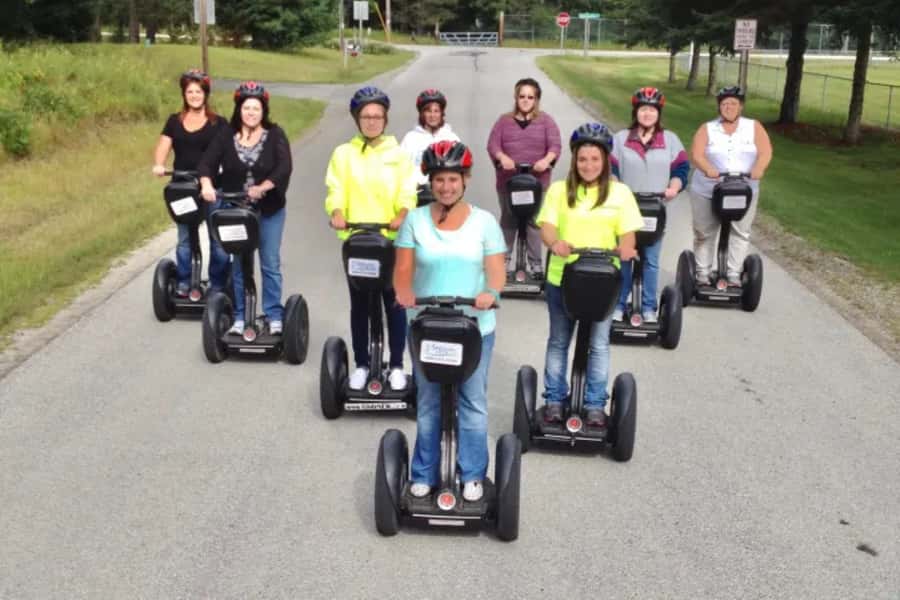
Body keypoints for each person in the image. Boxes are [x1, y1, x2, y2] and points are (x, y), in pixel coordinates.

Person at [394, 140, 506, 502]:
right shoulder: (415, 220)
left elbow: (496, 271)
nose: (446, 186)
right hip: (427, 327)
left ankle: (472, 473)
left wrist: (490, 292)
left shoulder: (484, 222)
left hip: (473, 328)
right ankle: (423, 472)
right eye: (439, 179)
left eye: (453, 179)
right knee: (428, 402)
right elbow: (404, 267)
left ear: (466, 179)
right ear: (431, 181)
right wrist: (403, 291)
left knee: (471, 401)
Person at [536, 123, 643, 429]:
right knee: (559, 340)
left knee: (599, 343)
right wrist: (555, 242)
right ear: (574, 160)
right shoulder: (559, 190)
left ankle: (595, 404)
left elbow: (628, 234)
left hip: (603, 282)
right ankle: (554, 400)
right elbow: (547, 226)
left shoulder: (620, 193)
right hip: (563, 279)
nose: (588, 165)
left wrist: (625, 248)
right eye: (582, 159)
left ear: (605, 160)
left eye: (595, 159)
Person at [325, 86, 416, 391]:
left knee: (394, 302)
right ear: (356, 118)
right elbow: (335, 187)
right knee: (360, 304)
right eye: (366, 116)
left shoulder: (399, 155)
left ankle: (397, 365)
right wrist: (337, 211)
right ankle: (363, 364)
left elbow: (408, 190)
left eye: (377, 116)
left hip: (391, 242)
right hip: (358, 241)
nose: (372, 121)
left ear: (386, 119)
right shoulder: (344, 153)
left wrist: (403, 213)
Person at [198, 81, 293, 335]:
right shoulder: (226, 135)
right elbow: (206, 164)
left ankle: (274, 314)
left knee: (269, 263)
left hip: (268, 211)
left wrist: (264, 186)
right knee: (240, 263)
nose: (251, 112)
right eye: (246, 107)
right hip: (236, 211)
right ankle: (241, 316)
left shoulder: (275, 135)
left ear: (264, 111)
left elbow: (284, 167)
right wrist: (207, 185)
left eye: (256, 108)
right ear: (239, 109)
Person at [610, 87, 689, 323]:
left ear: (658, 113)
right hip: (626, 209)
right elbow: (611, 168)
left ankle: (648, 307)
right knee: (624, 258)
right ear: (636, 112)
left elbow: (681, 169)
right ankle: (618, 304)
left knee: (651, 261)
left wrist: (674, 188)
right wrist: (615, 185)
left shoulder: (671, 140)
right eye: (643, 109)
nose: (647, 114)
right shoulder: (621, 139)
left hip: (656, 210)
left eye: (652, 110)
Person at [152, 69, 229, 296]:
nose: (194, 95)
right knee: (185, 238)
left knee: (217, 241)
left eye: (198, 91)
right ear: (184, 94)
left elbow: (226, 152)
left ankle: (217, 284)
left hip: (212, 189)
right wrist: (159, 164)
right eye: (190, 91)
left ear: (206, 94)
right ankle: (185, 282)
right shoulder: (174, 121)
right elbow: (163, 147)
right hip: (183, 189)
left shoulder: (219, 123)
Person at [688, 86, 773, 287]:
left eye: (733, 103)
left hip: (744, 189)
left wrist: (759, 168)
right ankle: (702, 273)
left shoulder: (754, 127)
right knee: (704, 232)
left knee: (740, 231)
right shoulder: (707, 128)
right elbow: (697, 154)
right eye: (724, 103)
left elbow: (765, 152)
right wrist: (708, 168)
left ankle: (734, 274)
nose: (728, 107)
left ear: (741, 106)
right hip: (708, 189)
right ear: (719, 106)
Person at [486, 77, 562, 279]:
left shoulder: (546, 121)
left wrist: (546, 160)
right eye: (522, 96)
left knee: (534, 222)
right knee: (509, 220)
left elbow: (555, 145)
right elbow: (493, 145)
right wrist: (502, 157)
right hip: (509, 181)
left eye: (531, 97)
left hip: (537, 182)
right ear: (516, 98)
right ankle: (503, 261)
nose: (526, 100)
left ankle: (536, 264)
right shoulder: (504, 121)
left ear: (537, 99)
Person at [399, 89, 460, 189]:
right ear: (422, 114)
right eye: (428, 111)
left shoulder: (452, 138)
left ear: (441, 114)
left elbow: (461, 170)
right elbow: (400, 170)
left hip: (445, 193)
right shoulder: (410, 139)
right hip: (417, 194)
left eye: (436, 111)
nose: (433, 115)